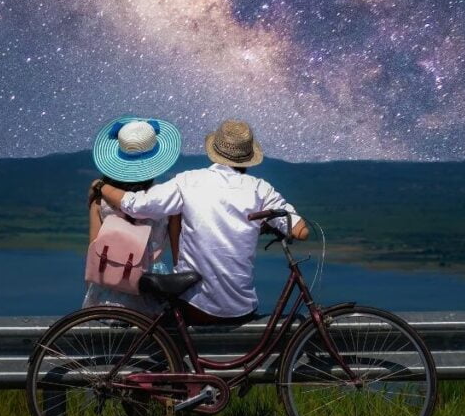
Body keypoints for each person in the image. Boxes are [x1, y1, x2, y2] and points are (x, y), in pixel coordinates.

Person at [94, 119, 308, 323]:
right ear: (248, 158)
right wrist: (266, 226)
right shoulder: (261, 189)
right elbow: (300, 231)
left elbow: (137, 205)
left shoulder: (188, 181)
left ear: (215, 151)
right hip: (241, 309)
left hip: (194, 306)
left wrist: (100, 187)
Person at [84, 117, 182, 316]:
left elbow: (94, 248)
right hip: (149, 287)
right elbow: (178, 255)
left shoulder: (99, 200)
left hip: (107, 290)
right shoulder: (166, 201)